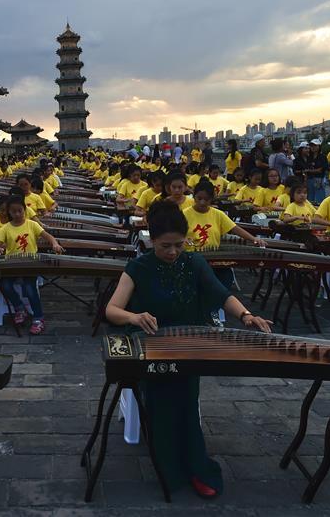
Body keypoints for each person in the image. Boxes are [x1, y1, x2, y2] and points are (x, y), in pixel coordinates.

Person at [105, 200, 271, 498]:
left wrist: (247, 315)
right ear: (151, 239)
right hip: (150, 342)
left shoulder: (194, 262)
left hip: (187, 342)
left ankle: (195, 464)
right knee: (163, 397)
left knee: (184, 394)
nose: (172, 252)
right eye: (165, 246)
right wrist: (135, 316)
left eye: (179, 245)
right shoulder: (138, 267)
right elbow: (112, 310)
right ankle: (172, 465)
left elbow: (221, 294)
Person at [0, 195, 64, 335]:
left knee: (29, 287)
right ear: (9, 213)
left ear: (24, 210)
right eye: (14, 212)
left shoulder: (32, 224)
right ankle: (19, 308)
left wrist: (54, 244)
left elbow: (49, 237)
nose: (17, 214)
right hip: (12, 264)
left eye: (20, 211)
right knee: (5, 285)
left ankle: (38, 318)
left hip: (30, 263)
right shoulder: (5, 228)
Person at [304, 139, 327, 205]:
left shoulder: (322, 157)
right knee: (310, 199)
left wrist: (309, 171)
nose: (312, 147)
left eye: (314, 145)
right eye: (311, 146)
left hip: (319, 180)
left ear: (319, 146)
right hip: (310, 179)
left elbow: (321, 169)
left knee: (319, 199)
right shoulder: (309, 157)